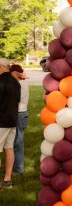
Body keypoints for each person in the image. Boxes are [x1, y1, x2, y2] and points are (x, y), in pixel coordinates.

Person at [0, 58, 21, 187]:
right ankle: (7, 179)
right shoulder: (15, 82)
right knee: (9, 149)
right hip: (13, 120)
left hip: (1, 121)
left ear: (1, 67)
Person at [9, 64, 29, 174]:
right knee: (16, 141)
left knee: (18, 142)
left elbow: (16, 101)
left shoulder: (20, 84)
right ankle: (15, 166)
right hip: (22, 114)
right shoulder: (22, 82)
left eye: (11, 74)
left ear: (15, 73)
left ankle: (18, 169)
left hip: (19, 114)